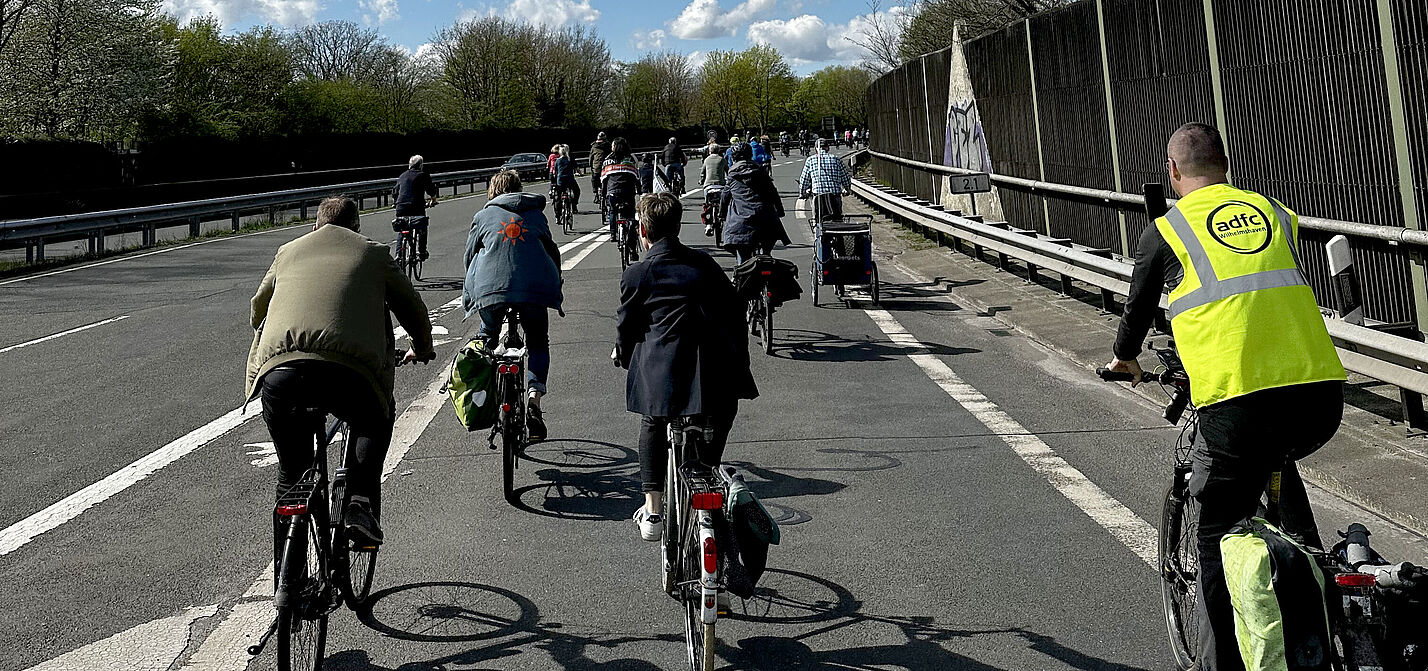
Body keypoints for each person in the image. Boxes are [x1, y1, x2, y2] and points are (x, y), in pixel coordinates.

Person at [1106, 123, 1346, 671]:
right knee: (1280, 465)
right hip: (1319, 398)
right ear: (1226, 164)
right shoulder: (1273, 212)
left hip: (1237, 405)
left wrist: (1124, 360)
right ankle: (1319, 600)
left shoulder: (1166, 229)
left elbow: (1137, 312)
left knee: (1215, 534)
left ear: (1171, 174)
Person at [248, 197, 435, 554]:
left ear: (315, 225)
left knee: (291, 473)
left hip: (280, 371)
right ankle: (359, 502)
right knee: (372, 419)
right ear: (356, 228)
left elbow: (258, 310)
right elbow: (412, 309)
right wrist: (423, 348)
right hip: (350, 371)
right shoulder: (374, 253)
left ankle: (288, 585)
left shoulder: (287, 251)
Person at [614, 192, 759, 541]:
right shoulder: (705, 265)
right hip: (716, 378)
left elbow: (627, 327)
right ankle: (709, 475)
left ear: (643, 230)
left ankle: (653, 511)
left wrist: (621, 352)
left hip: (665, 380)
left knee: (652, 421)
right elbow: (733, 309)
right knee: (715, 435)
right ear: (679, 226)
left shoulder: (638, 273)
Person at [463, 170, 564, 442]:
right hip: (533, 291)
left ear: (493, 191)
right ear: (519, 189)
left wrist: (472, 290)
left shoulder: (483, 216)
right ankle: (534, 401)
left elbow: (469, 257)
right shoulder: (535, 214)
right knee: (538, 341)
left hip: (491, 291)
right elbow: (551, 253)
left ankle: (484, 398)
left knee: (486, 338)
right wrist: (556, 284)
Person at [720, 142, 790, 264]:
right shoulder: (761, 172)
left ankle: (740, 278)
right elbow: (773, 193)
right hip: (766, 220)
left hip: (741, 223)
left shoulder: (732, 175)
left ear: (734, 157)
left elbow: (725, 196)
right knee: (767, 251)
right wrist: (780, 211)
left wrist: (721, 214)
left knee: (742, 257)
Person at [392, 154, 439, 260]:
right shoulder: (422, 175)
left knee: (402, 227)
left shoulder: (402, 175)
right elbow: (431, 189)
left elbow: (395, 192)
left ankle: (398, 254)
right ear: (421, 165)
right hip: (417, 206)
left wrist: (396, 202)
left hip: (401, 206)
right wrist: (433, 201)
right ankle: (421, 252)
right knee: (422, 226)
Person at [601, 137, 643, 244]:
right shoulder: (630, 159)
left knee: (612, 212)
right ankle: (633, 248)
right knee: (630, 217)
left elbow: (604, 179)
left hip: (612, 192)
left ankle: (613, 234)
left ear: (614, 147)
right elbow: (636, 177)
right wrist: (639, 190)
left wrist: (603, 193)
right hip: (628, 192)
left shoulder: (607, 160)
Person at [799, 139, 852, 222]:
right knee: (837, 222)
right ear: (828, 148)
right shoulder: (836, 159)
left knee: (818, 222)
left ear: (816, 148)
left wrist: (802, 193)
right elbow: (846, 178)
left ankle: (818, 233)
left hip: (818, 197)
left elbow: (804, 180)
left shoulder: (810, 160)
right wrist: (847, 190)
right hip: (835, 197)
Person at [699, 144, 728, 237]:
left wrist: (701, 180)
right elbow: (728, 171)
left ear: (710, 151)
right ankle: (724, 216)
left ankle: (708, 224)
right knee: (724, 202)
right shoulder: (722, 159)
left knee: (707, 205)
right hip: (721, 186)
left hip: (708, 186)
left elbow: (702, 173)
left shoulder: (707, 160)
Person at [551, 144, 581, 214]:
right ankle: (574, 204)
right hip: (570, 180)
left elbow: (554, 172)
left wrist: (556, 177)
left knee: (558, 197)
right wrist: (580, 173)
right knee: (577, 191)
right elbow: (577, 168)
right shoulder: (570, 159)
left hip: (561, 181)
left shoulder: (557, 161)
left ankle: (557, 215)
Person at [589, 131, 612, 206]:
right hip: (607, 167)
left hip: (596, 167)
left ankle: (596, 194)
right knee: (608, 180)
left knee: (594, 179)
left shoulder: (594, 146)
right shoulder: (608, 145)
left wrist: (591, 166)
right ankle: (607, 197)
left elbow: (591, 158)